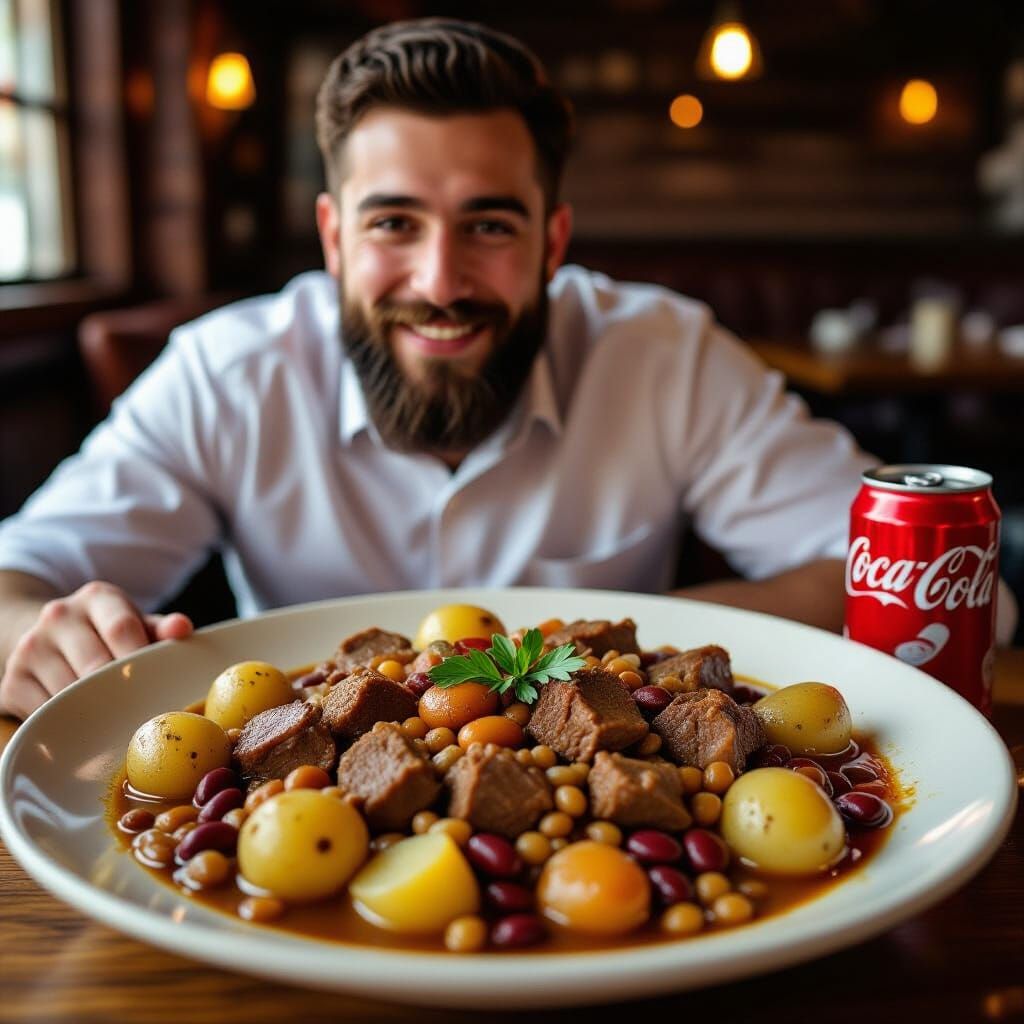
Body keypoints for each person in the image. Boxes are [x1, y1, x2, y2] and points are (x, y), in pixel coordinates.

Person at [0, 18, 1011, 720]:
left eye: (488, 225)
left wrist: (615, 647)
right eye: (394, 224)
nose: (440, 282)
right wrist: (41, 636)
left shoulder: (664, 354)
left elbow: (942, 590)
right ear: (334, 238)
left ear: (551, 241)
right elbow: (15, 578)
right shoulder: (227, 372)